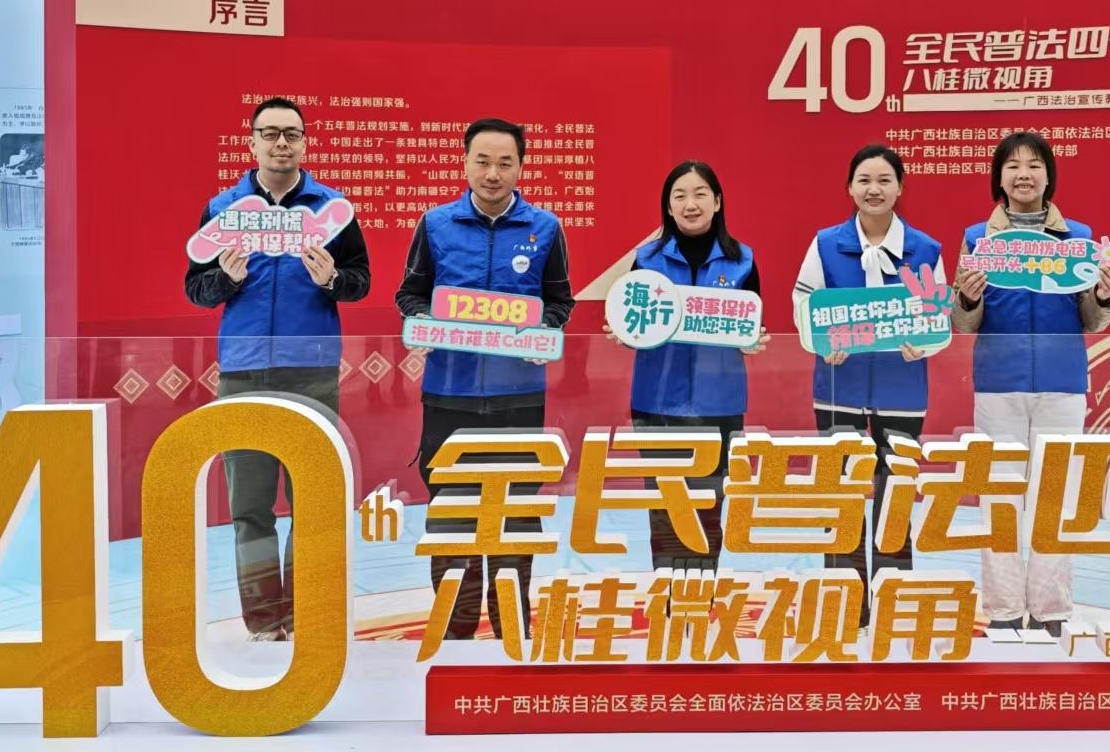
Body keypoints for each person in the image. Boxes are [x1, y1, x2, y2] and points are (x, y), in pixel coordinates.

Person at [184, 97, 372, 641]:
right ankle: (265, 622)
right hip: (243, 375)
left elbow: (360, 282)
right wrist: (226, 279)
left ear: (305, 143)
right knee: (249, 507)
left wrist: (332, 278)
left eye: (291, 133)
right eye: (270, 133)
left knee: (313, 501)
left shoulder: (333, 211)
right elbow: (196, 289)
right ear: (252, 143)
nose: (281, 143)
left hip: (311, 373)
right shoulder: (225, 209)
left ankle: (307, 614)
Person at [395, 117, 574, 640]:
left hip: (519, 400)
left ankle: (509, 628)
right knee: (452, 516)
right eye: (483, 161)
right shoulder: (436, 224)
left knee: (515, 516)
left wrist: (546, 328)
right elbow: (410, 294)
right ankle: (454, 631)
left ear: (520, 168)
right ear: (465, 162)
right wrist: (422, 321)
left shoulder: (545, 228)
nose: (493, 173)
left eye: (504, 163)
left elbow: (559, 301)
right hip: (448, 397)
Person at [954, 130, 1110, 638]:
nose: (1023, 174)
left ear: (1049, 176)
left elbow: (1092, 320)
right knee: (999, 497)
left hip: (1062, 382)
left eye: (1033, 165)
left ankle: (1051, 608)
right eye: (1012, 166)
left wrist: (1105, 295)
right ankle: (1003, 607)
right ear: (998, 178)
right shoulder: (976, 240)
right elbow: (962, 324)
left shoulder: (1079, 239)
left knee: (1057, 497)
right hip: (997, 383)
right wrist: (967, 297)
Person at [792, 144, 945, 605]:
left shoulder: (925, 249)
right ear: (849, 188)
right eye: (864, 180)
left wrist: (924, 343)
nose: (873, 189)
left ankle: (892, 598)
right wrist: (822, 342)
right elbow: (804, 305)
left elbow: (938, 316)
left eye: (883, 180)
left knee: (895, 495)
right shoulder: (825, 244)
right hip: (838, 387)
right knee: (841, 496)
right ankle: (845, 600)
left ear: (900, 188)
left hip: (902, 390)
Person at [606, 160, 769, 572]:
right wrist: (625, 332)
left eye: (700, 194)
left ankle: (702, 597)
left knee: (710, 504)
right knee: (664, 507)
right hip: (656, 403)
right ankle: (667, 598)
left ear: (717, 202)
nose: (690, 204)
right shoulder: (646, 260)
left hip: (720, 404)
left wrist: (752, 341)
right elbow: (633, 321)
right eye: (679, 196)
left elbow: (752, 324)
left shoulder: (742, 261)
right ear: (668, 206)